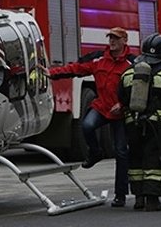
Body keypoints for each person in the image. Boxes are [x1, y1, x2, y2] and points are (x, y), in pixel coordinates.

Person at [44, 27, 133, 208]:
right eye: (110, 38)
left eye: (116, 38)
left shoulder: (132, 64)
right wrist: (52, 73)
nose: (112, 41)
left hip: (121, 112)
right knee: (86, 126)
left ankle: (121, 195)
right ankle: (95, 153)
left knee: (122, 153)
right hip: (102, 107)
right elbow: (77, 68)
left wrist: (123, 105)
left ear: (125, 40)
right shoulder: (99, 59)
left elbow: (139, 89)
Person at [118, 33, 161, 211]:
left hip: (132, 124)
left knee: (136, 160)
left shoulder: (128, 73)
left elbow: (121, 97)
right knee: (154, 160)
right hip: (157, 125)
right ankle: (153, 200)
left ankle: (139, 199)